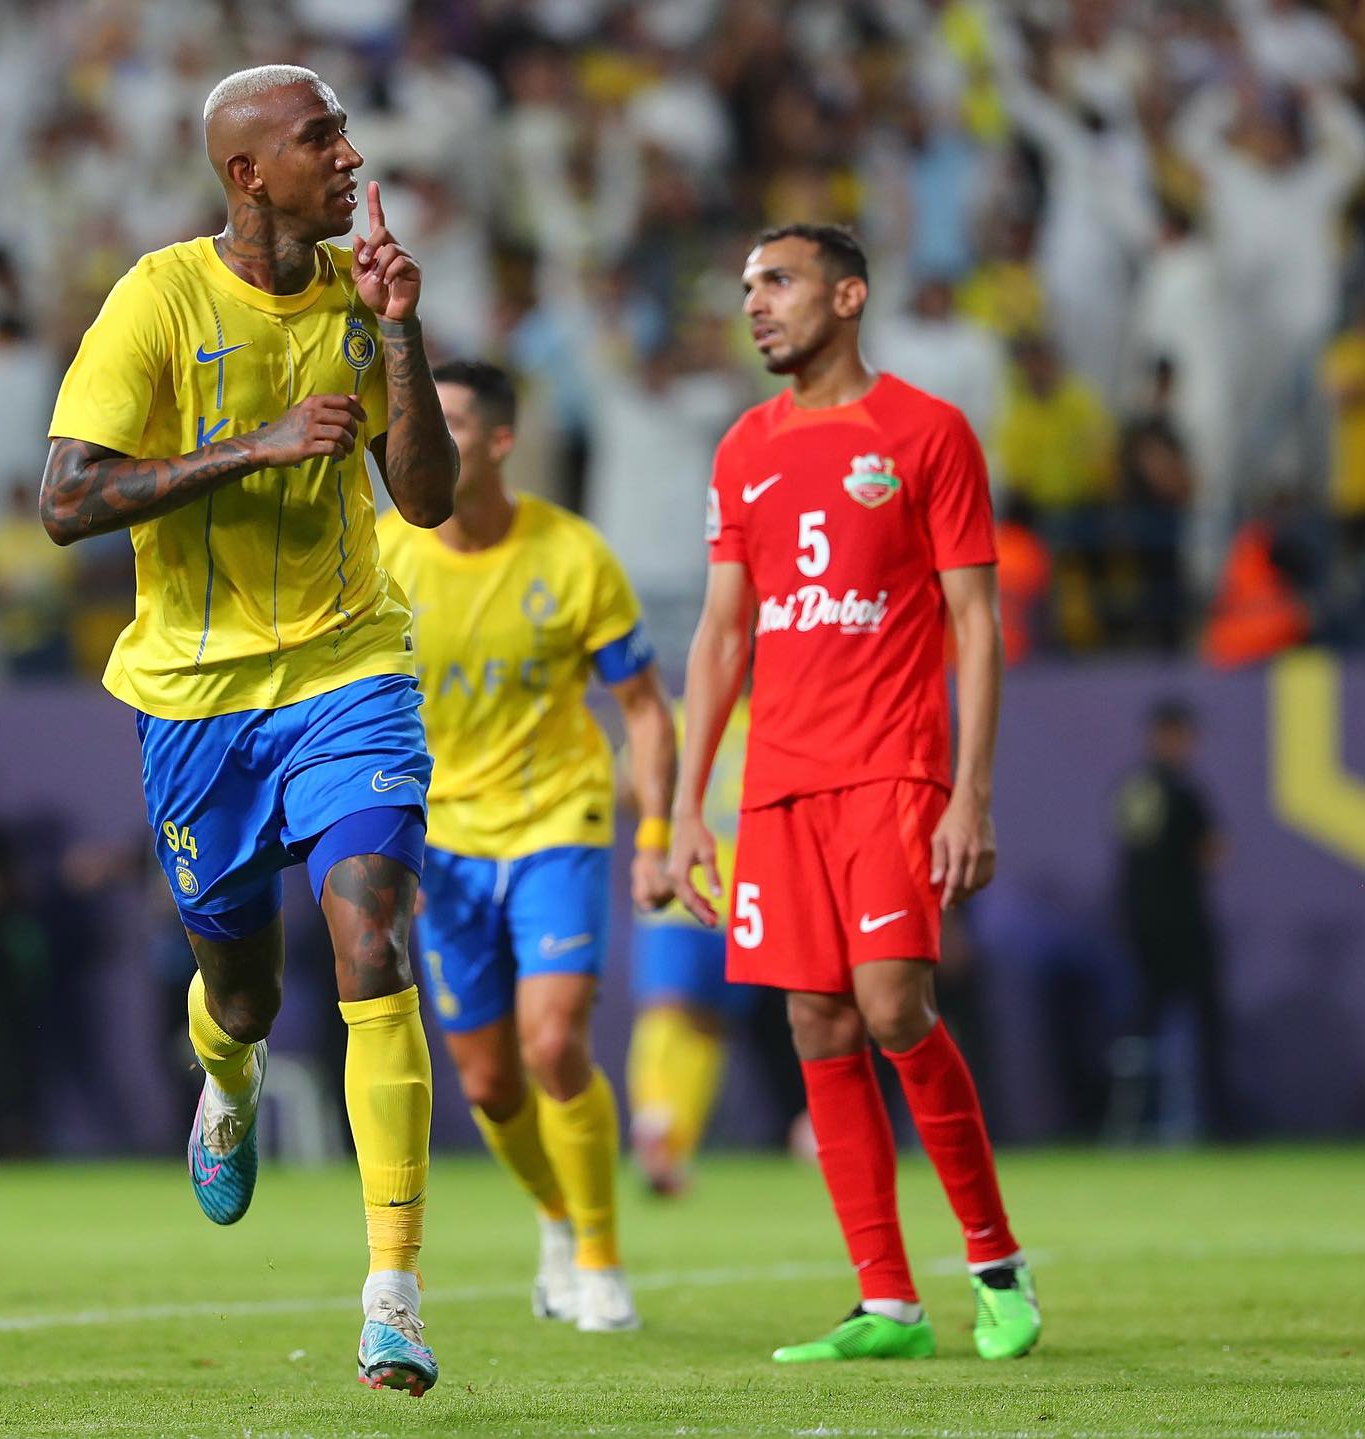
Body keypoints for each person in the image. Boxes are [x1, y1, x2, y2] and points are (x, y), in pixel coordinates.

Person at [38, 65, 458, 1396]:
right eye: (316, 137)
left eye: (342, 131)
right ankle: (226, 1069)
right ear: (246, 173)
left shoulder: (358, 294)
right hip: (200, 697)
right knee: (247, 985)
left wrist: (401, 328)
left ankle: (392, 1290)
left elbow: (430, 500)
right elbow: (66, 499)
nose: (347, 154)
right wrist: (255, 446)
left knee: (370, 921)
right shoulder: (157, 299)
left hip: (349, 665)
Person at [668, 223, 1041, 1365]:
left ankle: (994, 1260)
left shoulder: (927, 432)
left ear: (850, 294)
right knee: (814, 1020)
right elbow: (725, 629)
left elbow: (974, 625)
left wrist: (969, 791)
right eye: (746, 285)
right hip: (779, 780)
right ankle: (887, 1300)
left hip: (892, 766)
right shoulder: (744, 447)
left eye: (776, 281)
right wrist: (687, 801)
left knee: (891, 1007)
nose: (755, 303)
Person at [375, 360, 675, 1333]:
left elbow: (643, 706)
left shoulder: (572, 554)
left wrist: (658, 832)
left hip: (559, 822)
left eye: (448, 421)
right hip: (447, 843)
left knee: (553, 1045)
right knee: (492, 1080)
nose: (420, 438)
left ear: (499, 442)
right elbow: (356, 715)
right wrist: (391, 841)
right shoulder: (385, 558)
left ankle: (601, 1255)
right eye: (413, 421)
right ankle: (555, 1221)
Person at [626, 698, 750, 1196]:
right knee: (667, 1008)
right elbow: (629, 783)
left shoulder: (766, 721)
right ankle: (654, 1125)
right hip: (683, 889)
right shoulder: (680, 718)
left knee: (708, 1027)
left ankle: (674, 1147)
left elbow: (625, 789)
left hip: (739, 898)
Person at [1113, 699, 1229, 1139]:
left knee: (1143, 1027)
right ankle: (1218, 1125)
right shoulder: (1183, 791)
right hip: (1182, 924)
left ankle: (1134, 1124)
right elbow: (1213, 852)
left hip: (1138, 927)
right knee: (1205, 1023)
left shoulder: (1131, 788)